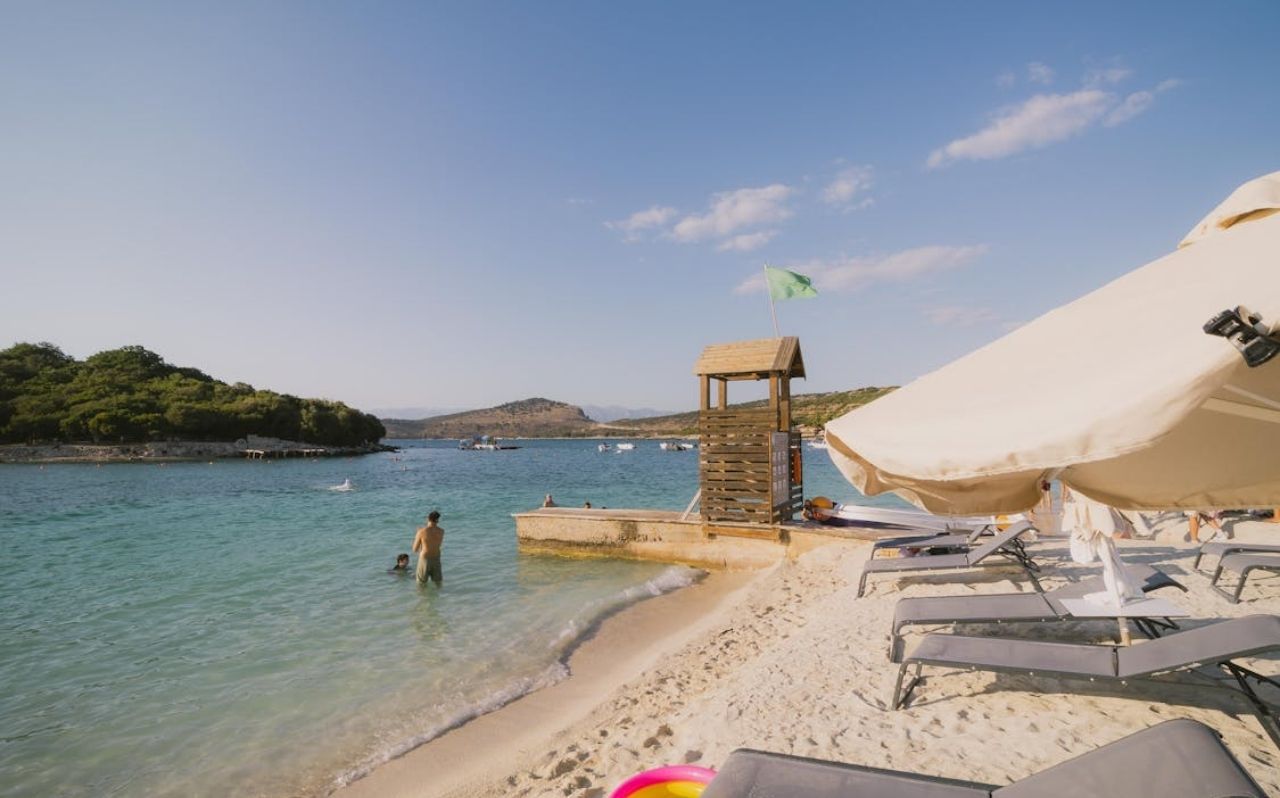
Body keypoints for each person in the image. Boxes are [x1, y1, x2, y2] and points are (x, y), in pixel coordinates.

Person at [413, 510, 445, 586]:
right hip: (436, 558)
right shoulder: (441, 531)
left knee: (421, 584)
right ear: (437, 520)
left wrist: (418, 534)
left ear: (428, 518)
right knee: (438, 583)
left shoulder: (421, 531)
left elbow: (415, 549)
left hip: (425, 559)